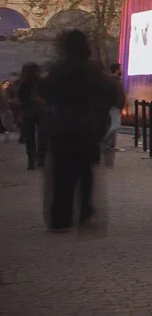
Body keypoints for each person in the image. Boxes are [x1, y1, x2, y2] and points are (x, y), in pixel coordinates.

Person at [41, 29, 112, 232]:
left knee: (62, 174)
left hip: (63, 127)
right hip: (86, 127)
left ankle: (61, 217)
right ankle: (85, 211)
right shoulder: (92, 69)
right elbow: (104, 94)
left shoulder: (57, 69)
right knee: (85, 171)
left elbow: (48, 94)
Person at [16, 63, 45, 170]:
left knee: (30, 138)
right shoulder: (41, 82)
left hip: (28, 113)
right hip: (41, 112)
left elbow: (19, 97)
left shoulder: (21, 84)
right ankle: (41, 158)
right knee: (42, 135)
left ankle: (31, 161)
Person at [101, 63, 125, 167]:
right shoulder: (112, 81)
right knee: (115, 126)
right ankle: (103, 141)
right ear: (116, 70)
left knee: (114, 127)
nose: (121, 70)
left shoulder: (117, 81)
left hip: (117, 107)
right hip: (114, 107)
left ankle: (109, 145)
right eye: (120, 68)